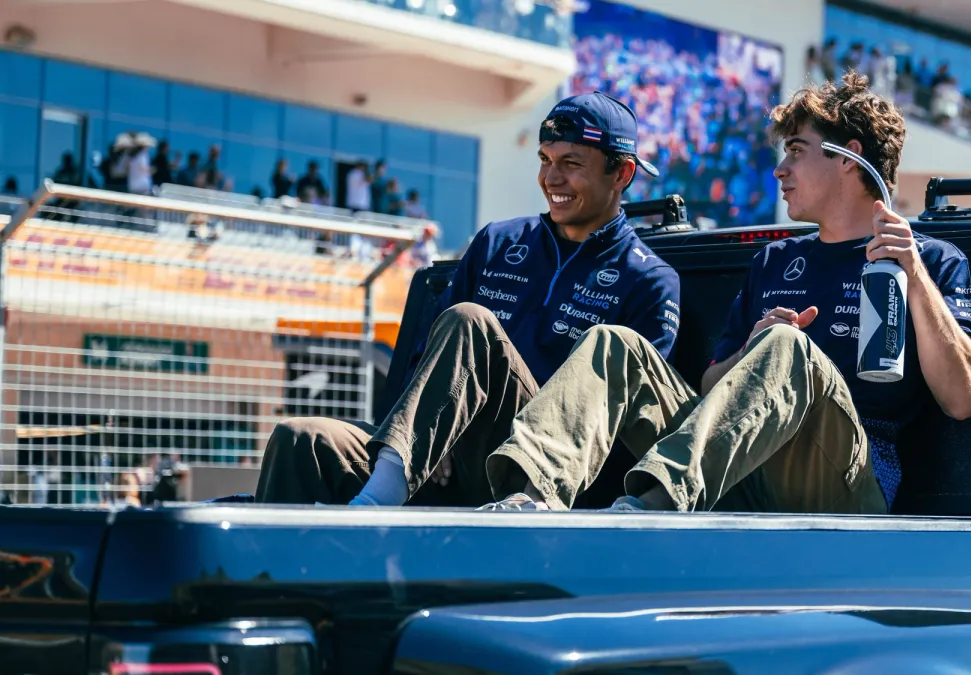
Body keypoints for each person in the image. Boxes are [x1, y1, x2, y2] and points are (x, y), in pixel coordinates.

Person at [478, 73, 971, 513]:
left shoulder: (933, 260)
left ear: (849, 159)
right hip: (738, 471)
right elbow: (709, 387)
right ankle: (530, 499)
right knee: (616, 343)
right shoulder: (776, 260)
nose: (779, 170)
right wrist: (751, 352)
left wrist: (914, 277)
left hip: (846, 484)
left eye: (795, 151)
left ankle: (654, 509)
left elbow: (964, 399)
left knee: (789, 347)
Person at [254, 92, 682, 507]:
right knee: (301, 437)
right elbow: (424, 360)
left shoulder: (649, 280)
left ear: (622, 174)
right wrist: (427, 440)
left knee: (470, 321)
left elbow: (624, 431)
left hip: (542, 476)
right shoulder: (498, 241)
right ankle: (267, 578)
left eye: (571, 163)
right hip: (442, 455)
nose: (552, 179)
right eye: (545, 160)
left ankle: (376, 501)